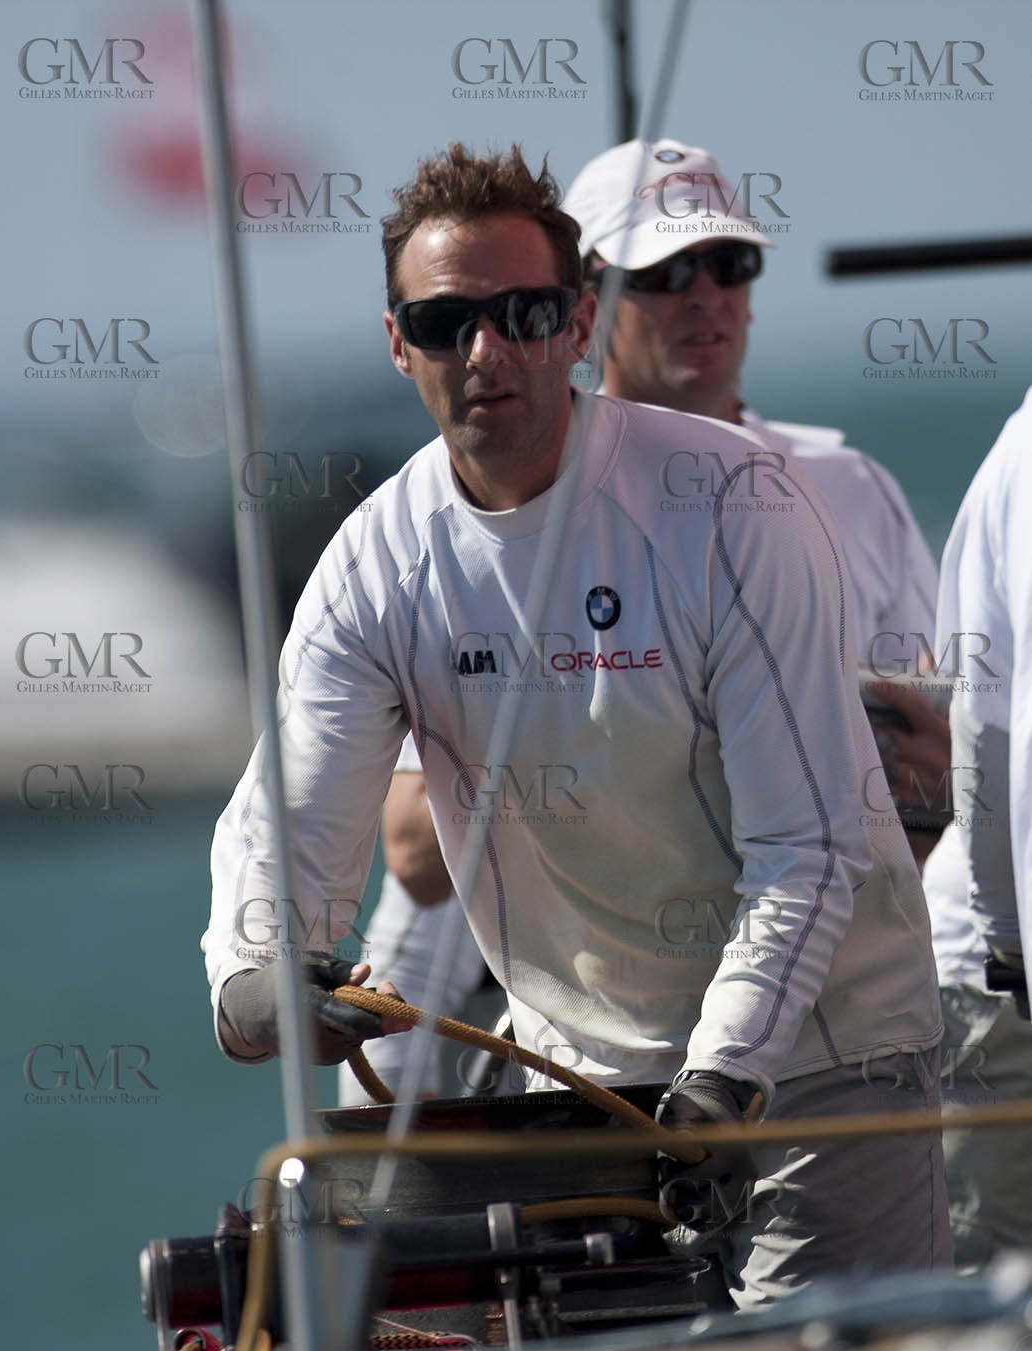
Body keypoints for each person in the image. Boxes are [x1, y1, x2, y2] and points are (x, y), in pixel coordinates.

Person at [203, 142, 949, 1309]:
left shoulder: (734, 502)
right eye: (447, 322)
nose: (486, 350)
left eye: (524, 312)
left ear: (578, 323)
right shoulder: (377, 562)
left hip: (824, 1060)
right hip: (592, 1081)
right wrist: (254, 964)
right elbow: (292, 808)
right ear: (398, 342)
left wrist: (726, 1071)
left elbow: (806, 848)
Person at [365, 136, 942, 1102]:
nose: (705, 292)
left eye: (729, 263)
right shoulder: (485, 512)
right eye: (665, 271)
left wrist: (847, 758)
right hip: (507, 1015)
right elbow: (414, 857)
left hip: (802, 1017)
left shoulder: (849, 490)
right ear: (584, 308)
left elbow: (941, 769)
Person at [919, 389, 1032, 1267]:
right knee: (989, 1305)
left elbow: (980, 722)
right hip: (998, 980)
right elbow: (985, 735)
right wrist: (1008, 947)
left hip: (999, 960)